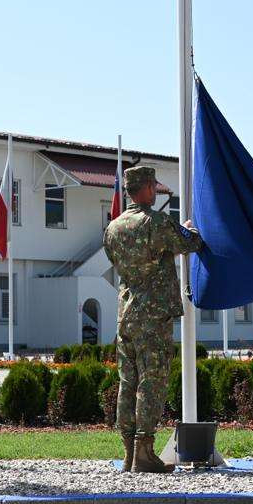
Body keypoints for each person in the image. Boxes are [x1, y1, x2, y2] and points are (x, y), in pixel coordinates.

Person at [103, 166, 204, 473]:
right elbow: (192, 243)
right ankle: (144, 453)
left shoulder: (113, 228)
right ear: (146, 188)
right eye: (154, 186)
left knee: (127, 381)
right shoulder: (156, 222)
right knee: (152, 382)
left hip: (127, 314)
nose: (156, 191)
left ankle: (129, 453)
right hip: (153, 316)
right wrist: (187, 229)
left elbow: (135, 260)